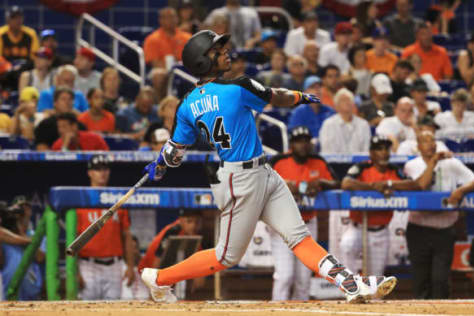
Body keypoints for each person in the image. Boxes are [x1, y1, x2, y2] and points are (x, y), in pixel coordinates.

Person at [140, 29, 398, 304]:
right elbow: (279, 97)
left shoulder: (186, 105)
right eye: (217, 50)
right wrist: (301, 96)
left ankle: (350, 283)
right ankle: (159, 278)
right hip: (239, 178)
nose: (226, 52)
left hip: (263, 172)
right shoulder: (238, 87)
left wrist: (160, 164)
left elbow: (175, 151)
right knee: (225, 256)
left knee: (299, 237)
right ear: (202, 61)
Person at [404, 131, 474, 299]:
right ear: (418, 147)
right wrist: (433, 162)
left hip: (444, 230)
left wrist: (461, 190)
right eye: (425, 141)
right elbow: (422, 184)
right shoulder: (412, 165)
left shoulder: (452, 163)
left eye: (432, 140)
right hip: (419, 230)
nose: (430, 144)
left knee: (440, 280)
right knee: (421, 280)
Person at [269, 126, 340, 301]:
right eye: (299, 141)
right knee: (285, 276)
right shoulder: (279, 161)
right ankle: (276, 312)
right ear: (291, 144)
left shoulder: (318, 161)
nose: (303, 145)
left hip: (307, 224)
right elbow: (260, 181)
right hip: (282, 225)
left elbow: (338, 183)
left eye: (306, 141)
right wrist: (283, 183)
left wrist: (320, 182)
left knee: (303, 279)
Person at [340, 135, 419, 276]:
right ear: (371, 153)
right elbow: (346, 183)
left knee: (375, 280)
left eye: (386, 149)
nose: (384, 153)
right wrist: (373, 187)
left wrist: (389, 184)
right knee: (347, 245)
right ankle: (351, 289)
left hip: (380, 231)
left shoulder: (394, 170)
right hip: (358, 227)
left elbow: (413, 184)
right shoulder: (362, 167)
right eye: (379, 149)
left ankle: (372, 297)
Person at [77, 155, 136, 300]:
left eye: (105, 169)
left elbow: (126, 235)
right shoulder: (79, 199)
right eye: (97, 169)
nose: (102, 172)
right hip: (88, 265)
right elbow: (73, 239)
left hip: (115, 265)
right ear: (89, 173)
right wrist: (74, 272)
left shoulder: (118, 200)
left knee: (113, 310)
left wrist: (130, 266)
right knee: (85, 310)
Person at [144, 7, 191, 99]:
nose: (171, 20)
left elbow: (193, 58)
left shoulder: (187, 37)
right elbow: (155, 64)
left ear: (177, 19)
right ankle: (161, 105)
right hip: (164, 70)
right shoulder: (152, 39)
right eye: (167, 17)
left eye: (173, 17)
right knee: (158, 75)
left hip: (185, 70)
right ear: (160, 20)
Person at [320, 88, 371, 153]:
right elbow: (326, 150)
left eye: (349, 100)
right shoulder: (328, 124)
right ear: (336, 106)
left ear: (353, 105)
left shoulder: (363, 124)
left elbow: (366, 149)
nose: (347, 102)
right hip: (334, 162)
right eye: (343, 100)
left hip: (360, 162)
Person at [120, 235, 150, 300]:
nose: (133, 252)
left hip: (145, 301)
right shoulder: (119, 266)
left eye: (135, 248)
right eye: (130, 249)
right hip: (125, 302)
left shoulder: (146, 263)